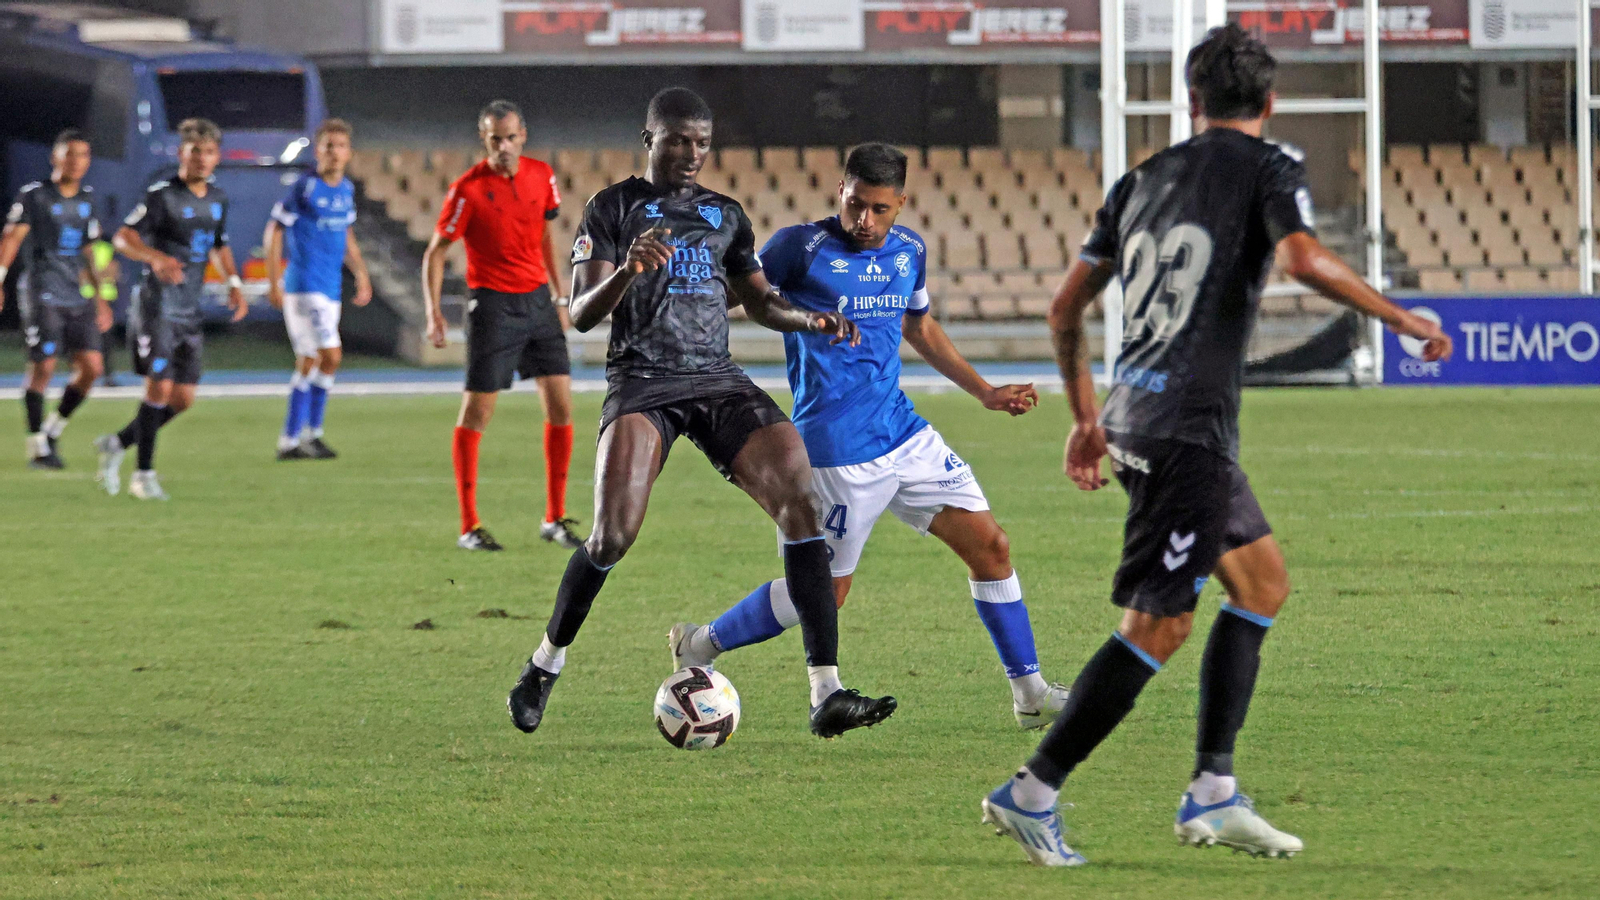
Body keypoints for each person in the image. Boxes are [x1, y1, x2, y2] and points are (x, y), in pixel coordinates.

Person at [978, 24, 1453, 867]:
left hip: (1138, 414)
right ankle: (1032, 791)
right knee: (1159, 626)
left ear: (1192, 104)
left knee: (1262, 584)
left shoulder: (1141, 179)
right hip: (1185, 434)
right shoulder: (1270, 167)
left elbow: (1063, 309)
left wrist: (1086, 417)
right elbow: (1303, 259)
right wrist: (1406, 317)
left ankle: (1213, 792)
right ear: (1269, 103)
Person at [506, 87, 896, 740]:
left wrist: (811, 319)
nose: (690, 153)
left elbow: (762, 302)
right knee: (612, 536)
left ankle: (826, 690)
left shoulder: (726, 216)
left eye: (701, 142)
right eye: (678, 140)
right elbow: (578, 314)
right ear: (649, 138)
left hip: (717, 380)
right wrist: (629, 270)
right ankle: (544, 665)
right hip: (643, 383)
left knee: (804, 510)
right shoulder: (614, 208)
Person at [669, 143, 1071, 730]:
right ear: (841, 192)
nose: (865, 220)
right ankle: (702, 644)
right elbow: (726, 299)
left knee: (992, 548)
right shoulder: (799, 248)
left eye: (880, 209)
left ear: (901, 204)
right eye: (855, 205)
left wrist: (983, 391)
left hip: (905, 432)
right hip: (836, 449)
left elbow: (918, 324)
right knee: (825, 595)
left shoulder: (910, 251)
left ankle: (1030, 695)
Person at [422, 100, 581, 552]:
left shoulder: (541, 176)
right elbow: (435, 251)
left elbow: (545, 234)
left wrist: (558, 294)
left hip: (538, 303)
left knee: (562, 407)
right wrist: (434, 310)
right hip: (492, 306)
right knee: (477, 414)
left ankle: (553, 517)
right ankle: (469, 525)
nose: (505, 146)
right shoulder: (467, 190)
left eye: (511, 137)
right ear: (484, 140)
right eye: (496, 139)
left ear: (523, 135)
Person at [95, 118, 247, 500]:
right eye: (195, 151)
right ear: (181, 154)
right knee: (159, 388)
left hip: (189, 310)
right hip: (158, 307)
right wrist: (155, 257)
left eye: (209, 152)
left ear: (217, 157)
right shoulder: (162, 196)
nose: (202, 158)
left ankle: (118, 443)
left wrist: (233, 282)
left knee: (182, 400)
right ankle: (142, 476)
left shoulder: (217, 199)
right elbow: (124, 237)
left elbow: (220, 243)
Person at [0, 130, 110, 469]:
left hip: (76, 295)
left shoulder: (88, 199)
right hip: (41, 291)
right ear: (55, 158)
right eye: (70, 154)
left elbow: (90, 250)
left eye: (83, 155)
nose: (77, 161)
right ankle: (37, 447)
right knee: (44, 367)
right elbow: (12, 237)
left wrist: (101, 297)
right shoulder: (34, 196)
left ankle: (52, 429)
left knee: (92, 368)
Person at [265, 118, 372, 460]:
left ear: (349, 153)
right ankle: (307, 434)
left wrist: (362, 274)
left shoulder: (346, 190)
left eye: (340, 146)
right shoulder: (305, 187)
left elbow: (347, 235)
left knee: (311, 361)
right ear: (318, 150)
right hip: (304, 285)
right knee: (331, 355)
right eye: (328, 146)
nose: (334, 153)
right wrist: (272, 280)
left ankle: (297, 439)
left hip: (330, 286)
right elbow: (275, 230)